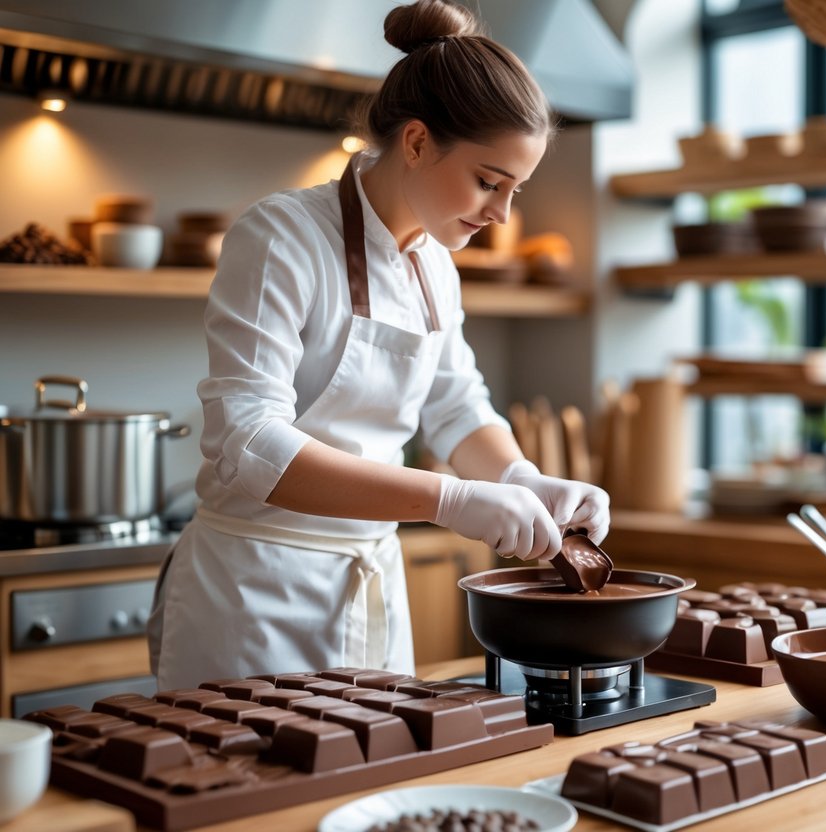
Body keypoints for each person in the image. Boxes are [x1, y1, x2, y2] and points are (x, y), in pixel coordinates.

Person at [147, 0, 609, 690]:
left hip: (369, 588)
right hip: (256, 597)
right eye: (489, 181)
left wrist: (520, 479)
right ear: (417, 143)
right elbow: (250, 446)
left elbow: (457, 409)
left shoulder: (433, 264)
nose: (501, 215)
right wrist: (449, 500)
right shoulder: (281, 238)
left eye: (516, 190)